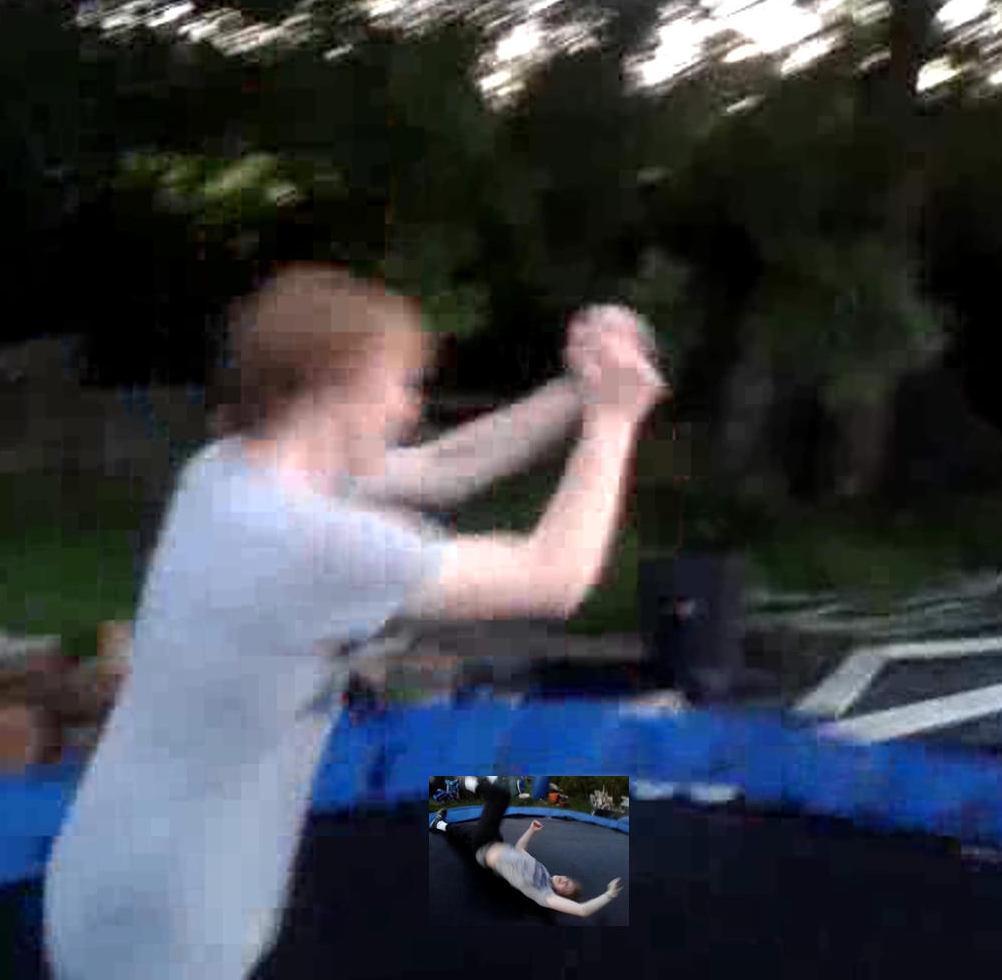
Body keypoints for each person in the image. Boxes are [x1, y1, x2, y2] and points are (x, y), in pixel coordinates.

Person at [44, 265, 666, 980]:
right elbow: (552, 577)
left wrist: (582, 386)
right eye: (399, 384)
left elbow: (446, 465)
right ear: (333, 389)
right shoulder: (306, 542)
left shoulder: (227, 472)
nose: (409, 408)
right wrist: (614, 421)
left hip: (121, 875)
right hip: (163, 925)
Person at [435, 778, 624, 918]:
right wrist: (531, 830)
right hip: (496, 841)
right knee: (466, 832)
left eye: (566, 887)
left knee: (501, 797)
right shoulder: (543, 871)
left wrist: (609, 895)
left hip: (485, 846)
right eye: (569, 880)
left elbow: (582, 910)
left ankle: (468, 782)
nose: (565, 881)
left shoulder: (543, 894)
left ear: (560, 895)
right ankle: (440, 825)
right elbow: (520, 850)